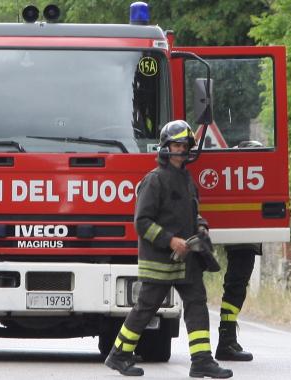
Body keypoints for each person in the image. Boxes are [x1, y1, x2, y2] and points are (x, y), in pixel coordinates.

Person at [104, 120, 232, 378]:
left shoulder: (186, 179)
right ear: (165, 147)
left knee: (197, 305)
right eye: (176, 144)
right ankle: (118, 355)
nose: (181, 150)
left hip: (188, 261)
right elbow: (142, 222)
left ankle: (202, 361)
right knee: (146, 308)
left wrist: (202, 227)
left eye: (185, 145)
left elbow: (193, 214)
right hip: (160, 260)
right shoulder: (154, 181)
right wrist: (170, 240)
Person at [215, 140, 265, 362]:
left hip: (244, 238)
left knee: (236, 287)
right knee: (236, 287)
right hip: (243, 240)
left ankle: (227, 340)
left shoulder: (239, 176)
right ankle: (225, 341)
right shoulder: (247, 177)